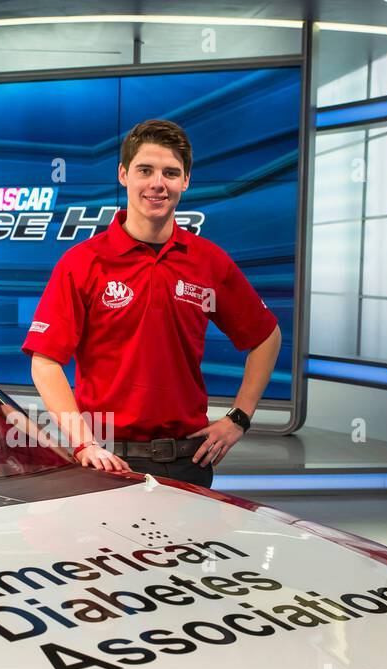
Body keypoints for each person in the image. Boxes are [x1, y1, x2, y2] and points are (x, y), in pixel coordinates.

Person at [22, 119, 281, 488]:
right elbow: (45, 362)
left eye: (171, 172)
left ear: (186, 181)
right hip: (106, 461)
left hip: (188, 461)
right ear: (124, 174)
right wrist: (83, 443)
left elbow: (266, 336)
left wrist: (239, 417)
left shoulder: (208, 261)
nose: (158, 183)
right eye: (145, 170)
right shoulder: (82, 263)